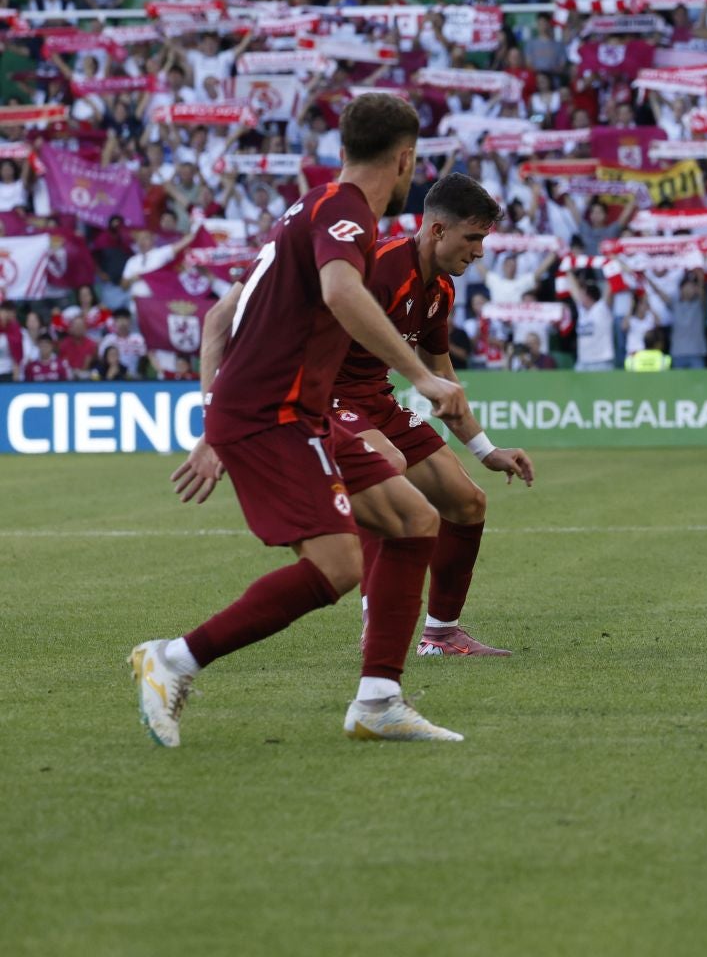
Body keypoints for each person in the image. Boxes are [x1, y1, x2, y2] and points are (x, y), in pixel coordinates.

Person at [133, 93, 472, 747]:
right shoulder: (346, 214)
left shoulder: (312, 206)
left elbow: (218, 318)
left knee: (414, 520)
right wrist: (424, 376)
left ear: (344, 149)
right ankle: (173, 659)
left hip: (290, 413)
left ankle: (378, 701)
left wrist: (212, 421)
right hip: (273, 414)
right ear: (406, 160)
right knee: (338, 565)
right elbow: (342, 293)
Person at [327, 173, 536, 657]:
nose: (479, 251)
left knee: (467, 502)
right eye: (473, 237)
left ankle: (440, 636)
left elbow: (442, 378)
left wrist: (486, 450)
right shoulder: (380, 268)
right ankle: (376, 619)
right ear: (438, 230)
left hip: (375, 400)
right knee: (386, 469)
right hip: (324, 398)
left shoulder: (440, 289)